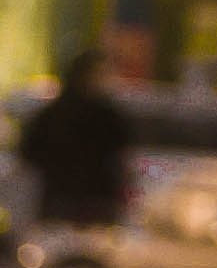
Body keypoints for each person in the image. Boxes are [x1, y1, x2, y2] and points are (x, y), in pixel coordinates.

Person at [14, 45, 133, 226]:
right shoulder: (109, 117)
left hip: (62, 201)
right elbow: (122, 159)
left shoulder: (51, 114)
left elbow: (28, 155)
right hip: (94, 204)